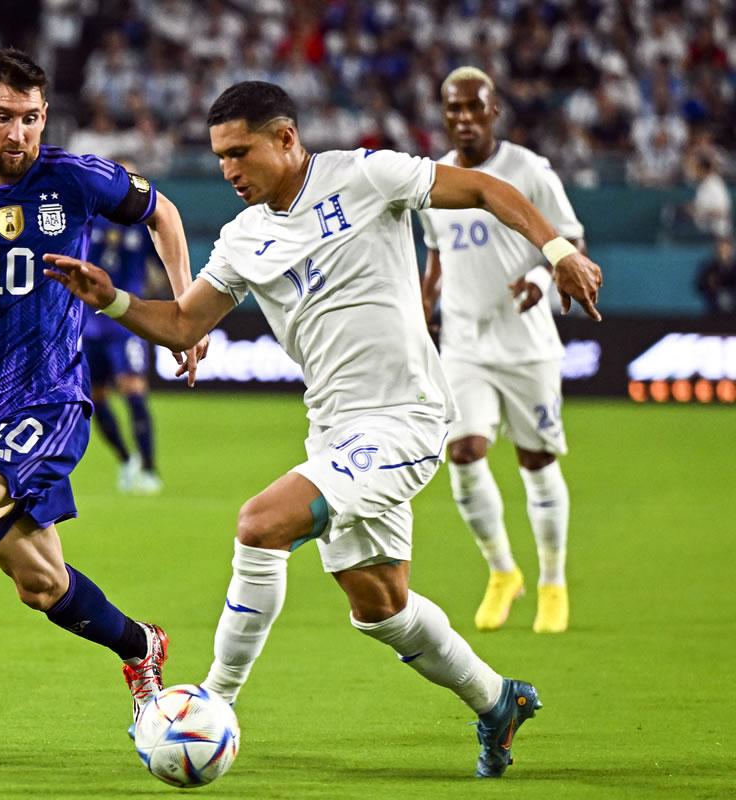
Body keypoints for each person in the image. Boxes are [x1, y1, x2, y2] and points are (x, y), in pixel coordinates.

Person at [44, 81, 602, 778]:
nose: (228, 170)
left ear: (285, 138)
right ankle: (498, 701)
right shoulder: (244, 239)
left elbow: (487, 189)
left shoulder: (368, 176)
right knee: (380, 606)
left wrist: (557, 253)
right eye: (220, 157)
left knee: (260, 523)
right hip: (334, 430)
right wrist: (117, 299)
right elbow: (185, 323)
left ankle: (210, 706)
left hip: (405, 417)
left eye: (239, 152)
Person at [0, 48, 205, 741]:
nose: (17, 133)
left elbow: (162, 211)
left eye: (30, 118)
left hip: (49, 402)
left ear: (44, 116)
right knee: (43, 585)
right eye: (2, 117)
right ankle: (141, 647)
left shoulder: (75, 178)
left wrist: (186, 309)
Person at [416, 67, 584, 635]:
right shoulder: (435, 182)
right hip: (463, 343)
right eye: (452, 108)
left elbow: (572, 239)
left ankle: (553, 580)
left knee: (536, 462)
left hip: (528, 344)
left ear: (495, 110)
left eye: (472, 107)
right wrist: (422, 308)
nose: (462, 117)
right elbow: (437, 257)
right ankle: (502, 572)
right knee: (463, 453)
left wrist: (543, 275)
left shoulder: (528, 170)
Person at [83, 187, 163, 495]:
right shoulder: (91, 222)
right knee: (94, 398)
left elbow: (160, 261)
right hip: (90, 326)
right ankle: (126, 459)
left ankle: (149, 468)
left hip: (126, 323)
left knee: (134, 391)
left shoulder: (142, 226)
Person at [696, 237, 736, 315]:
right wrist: (711, 284)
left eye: (726, 249)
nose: (723, 252)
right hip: (713, 311)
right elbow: (700, 285)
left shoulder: (734, 268)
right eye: (720, 248)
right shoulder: (708, 268)